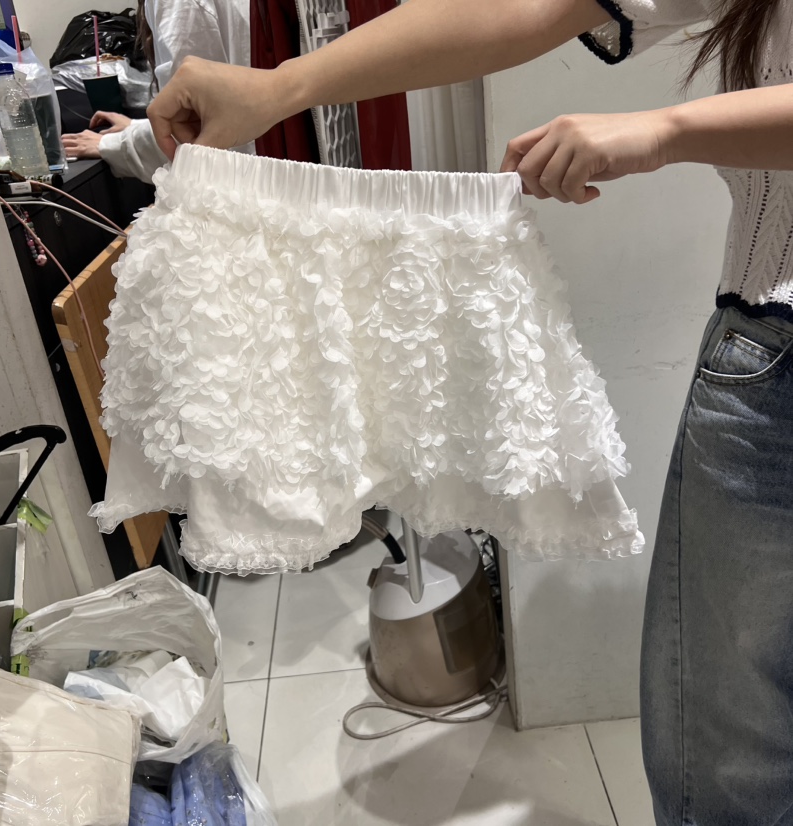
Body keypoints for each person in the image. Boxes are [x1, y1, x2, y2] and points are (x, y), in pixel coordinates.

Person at [145, 0, 793, 823]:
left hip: (769, 366)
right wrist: (279, 87)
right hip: (768, 352)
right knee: (734, 753)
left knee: (729, 761)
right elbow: (526, 4)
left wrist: (662, 130)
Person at [61, 0, 252, 183]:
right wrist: (135, 127)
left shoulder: (179, 5)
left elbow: (190, 142)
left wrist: (112, 145)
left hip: (239, 182)